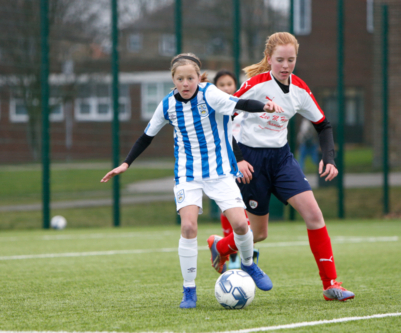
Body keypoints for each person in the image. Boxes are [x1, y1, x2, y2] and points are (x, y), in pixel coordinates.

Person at [100, 53, 283, 309]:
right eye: (180, 78)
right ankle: (189, 290)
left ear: (198, 77)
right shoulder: (167, 105)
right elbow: (146, 137)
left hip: (220, 173)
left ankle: (249, 265)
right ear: (173, 80)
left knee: (242, 224)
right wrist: (125, 163)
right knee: (188, 228)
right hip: (188, 175)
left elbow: (240, 103)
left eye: (190, 78)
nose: (185, 83)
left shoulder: (210, 94)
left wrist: (265, 106)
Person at [207, 32, 355, 302]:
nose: (286, 65)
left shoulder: (299, 89)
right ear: (269, 59)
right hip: (251, 161)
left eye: (291, 59)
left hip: (282, 160)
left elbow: (323, 124)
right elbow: (223, 118)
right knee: (259, 233)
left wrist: (329, 157)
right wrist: (238, 158)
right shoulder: (254, 85)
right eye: (280, 60)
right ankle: (221, 245)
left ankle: (331, 284)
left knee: (314, 214)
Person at [213, 70, 259, 270]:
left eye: (229, 84)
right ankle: (230, 254)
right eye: (221, 85)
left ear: (236, 86)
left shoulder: (245, 108)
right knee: (230, 207)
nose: (225, 88)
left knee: (249, 210)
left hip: (249, 163)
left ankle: (242, 251)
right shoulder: (215, 110)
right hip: (226, 165)